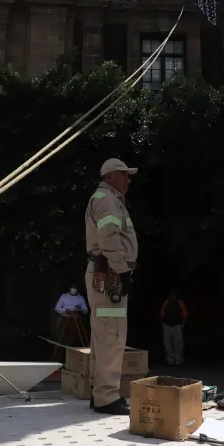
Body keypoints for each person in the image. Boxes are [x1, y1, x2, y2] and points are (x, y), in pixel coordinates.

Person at [84, 157, 139, 415]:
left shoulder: (108, 198)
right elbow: (109, 238)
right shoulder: (107, 200)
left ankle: (101, 393)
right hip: (110, 276)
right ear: (110, 176)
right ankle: (107, 396)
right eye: (124, 174)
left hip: (105, 274)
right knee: (111, 336)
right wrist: (122, 270)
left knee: (103, 335)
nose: (128, 179)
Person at [160, 289, 189, 366]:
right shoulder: (166, 302)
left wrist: (183, 324)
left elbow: (185, 314)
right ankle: (170, 361)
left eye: (174, 295)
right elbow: (162, 314)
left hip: (177, 325)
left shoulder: (180, 303)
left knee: (178, 343)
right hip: (167, 325)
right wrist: (162, 323)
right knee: (167, 343)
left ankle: (178, 360)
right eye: (171, 295)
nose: (172, 297)